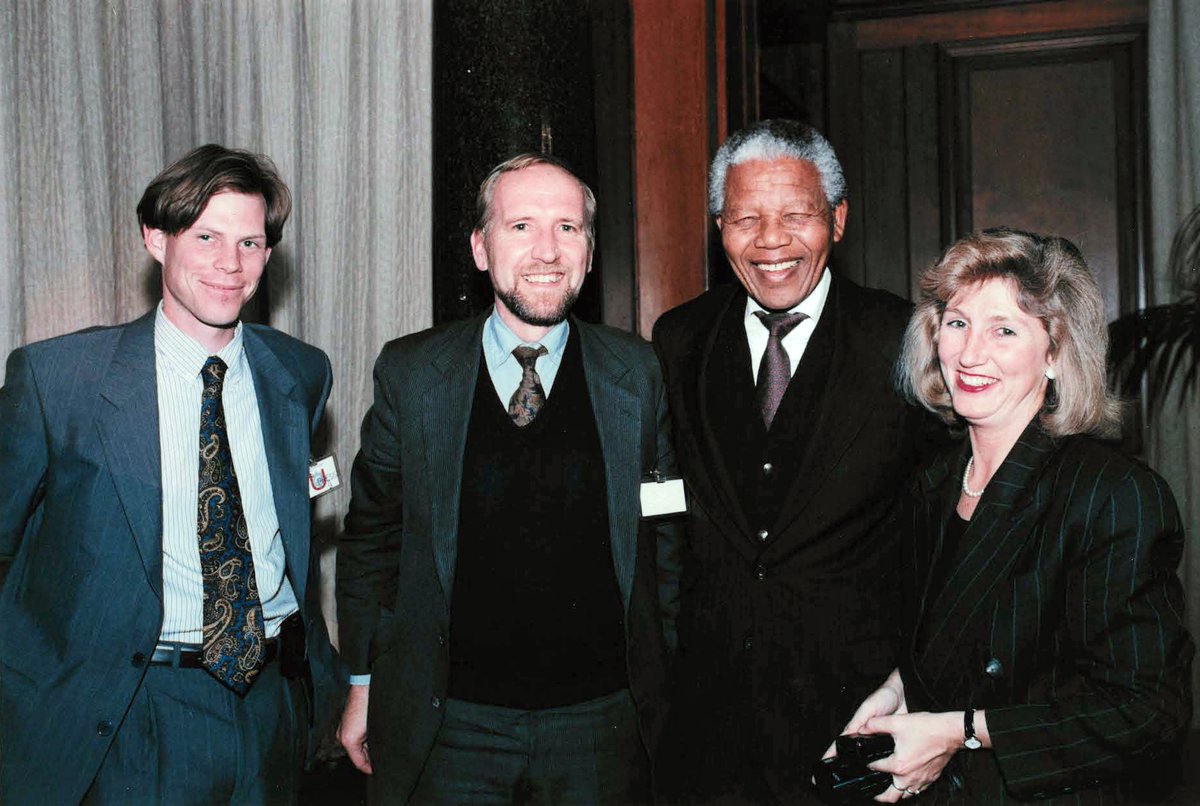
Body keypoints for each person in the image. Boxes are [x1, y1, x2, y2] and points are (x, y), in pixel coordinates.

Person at [335, 153, 680, 804]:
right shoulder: (411, 376)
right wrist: (363, 682)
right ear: (479, 248)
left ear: (589, 248)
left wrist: (667, 684)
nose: (547, 250)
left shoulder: (636, 373)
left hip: (603, 728)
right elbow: (370, 539)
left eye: (568, 228)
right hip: (452, 728)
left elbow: (666, 541)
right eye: (521, 226)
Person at [0, 144, 334, 804]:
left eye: (250, 242)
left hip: (270, 707)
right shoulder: (60, 380)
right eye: (206, 236)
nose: (229, 265)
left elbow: (294, 537)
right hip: (128, 712)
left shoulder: (299, 372)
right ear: (156, 238)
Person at [834, 228, 1193, 803]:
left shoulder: (1111, 493)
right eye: (957, 323)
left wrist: (963, 732)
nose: (971, 354)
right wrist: (897, 691)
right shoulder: (932, 484)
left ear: (1054, 356)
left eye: (1004, 330)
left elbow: (1149, 708)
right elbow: (956, 643)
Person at [651, 118, 932, 802]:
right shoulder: (679, 338)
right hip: (708, 723)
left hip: (856, 713)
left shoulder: (904, 340)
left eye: (796, 215)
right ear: (720, 228)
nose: (770, 240)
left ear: (837, 220)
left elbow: (941, 526)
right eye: (745, 218)